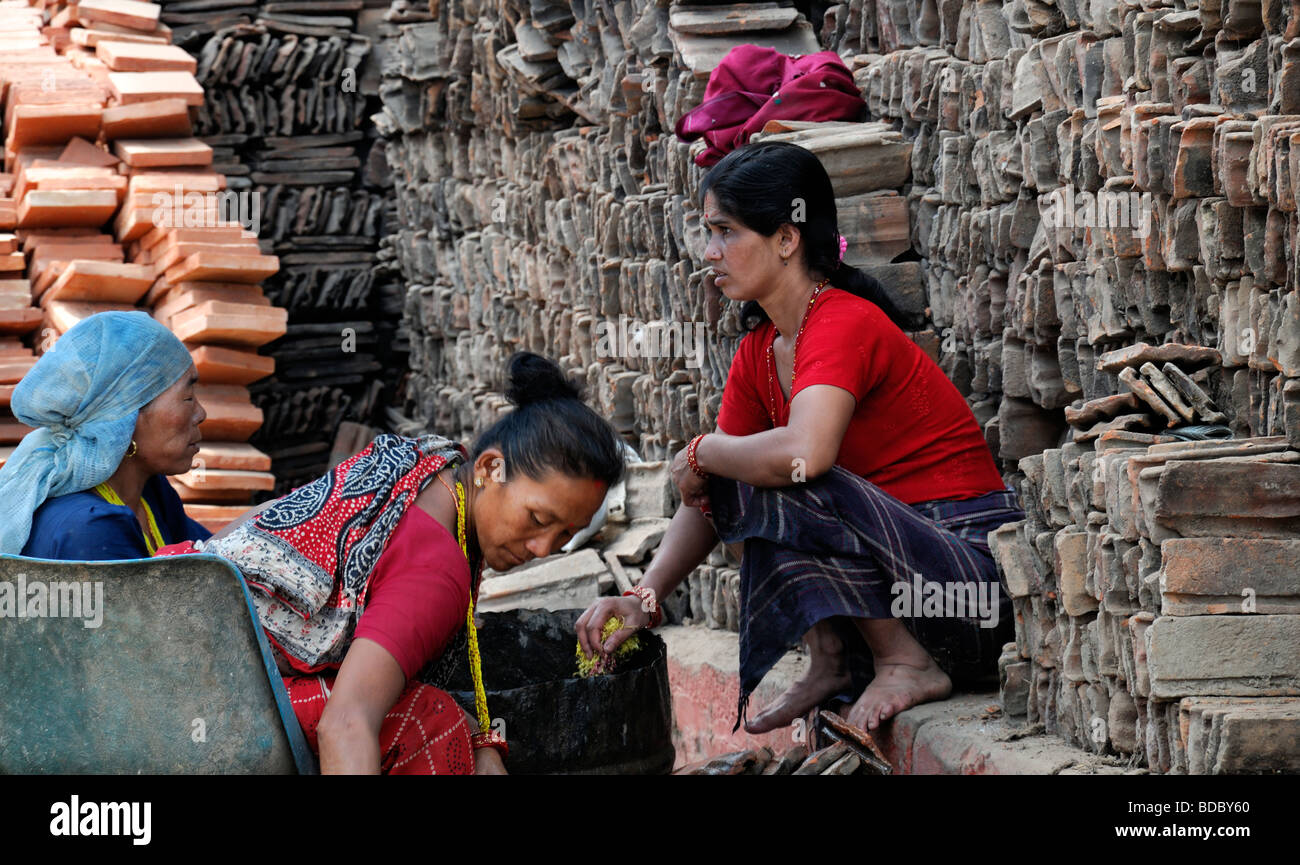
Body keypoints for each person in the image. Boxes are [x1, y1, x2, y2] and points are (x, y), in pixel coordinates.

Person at [577, 142, 1025, 736]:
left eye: (726, 232)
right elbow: (712, 496)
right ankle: (835, 660)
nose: (709, 253)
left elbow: (805, 455)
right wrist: (644, 598)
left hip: (967, 597)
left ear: (787, 239)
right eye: (708, 233)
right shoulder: (761, 351)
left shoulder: (843, 320)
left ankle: (903, 662)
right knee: (746, 472)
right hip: (904, 597)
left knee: (784, 469)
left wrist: (704, 451)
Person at [163, 352, 625, 775]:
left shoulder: (424, 468)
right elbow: (344, 726)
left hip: (154, 615)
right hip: (184, 684)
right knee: (430, 724)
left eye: (565, 534)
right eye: (539, 518)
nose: (544, 548)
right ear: (489, 469)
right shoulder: (438, 568)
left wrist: (485, 742)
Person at [0, 311, 211, 559]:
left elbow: (215, 556)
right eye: (187, 398)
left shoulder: (149, 492)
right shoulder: (91, 530)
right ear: (126, 417)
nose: (201, 413)